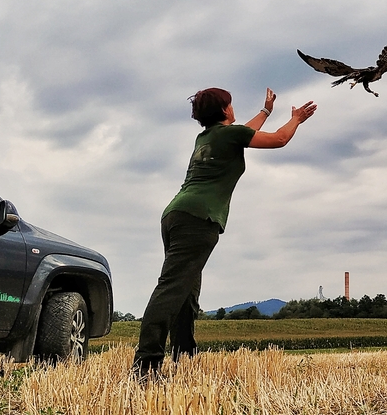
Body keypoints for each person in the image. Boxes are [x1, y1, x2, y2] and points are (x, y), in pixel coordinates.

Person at [133, 86, 316, 377]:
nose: (233, 107)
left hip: (175, 215)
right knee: (171, 290)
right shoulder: (228, 135)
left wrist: (266, 111)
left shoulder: (207, 137)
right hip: (198, 218)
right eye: (231, 103)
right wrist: (296, 119)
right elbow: (279, 139)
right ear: (225, 110)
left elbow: (244, 132)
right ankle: (145, 366)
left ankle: (185, 359)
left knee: (185, 294)